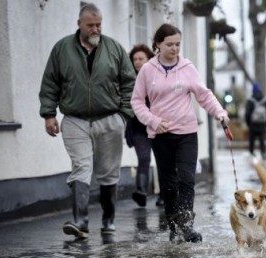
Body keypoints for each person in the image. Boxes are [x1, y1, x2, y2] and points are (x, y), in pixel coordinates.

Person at [39, 3, 136, 239]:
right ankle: (80, 222)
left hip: (109, 119)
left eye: (98, 25)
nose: (95, 29)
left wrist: (123, 115)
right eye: (90, 25)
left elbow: (129, 83)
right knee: (81, 167)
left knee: (108, 171)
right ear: (79, 24)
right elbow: (50, 83)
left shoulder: (113, 48)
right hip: (75, 119)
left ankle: (108, 220)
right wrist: (49, 114)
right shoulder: (62, 49)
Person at [131, 23, 229, 243]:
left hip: (186, 133)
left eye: (178, 44)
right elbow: (136, 101)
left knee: (186, 178)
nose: (175, 49)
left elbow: (204, 95)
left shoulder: (187, 68)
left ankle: (186, 226)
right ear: (158, 44)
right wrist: (153, 121)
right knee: (168, 184)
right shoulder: (148, 70)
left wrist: (220, 113)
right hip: (161, 135)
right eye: (169, 44)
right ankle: (174, 226)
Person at [125, 44, 165, 208]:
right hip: (139, 129)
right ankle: (141, 192)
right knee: (144, 159)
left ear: (148, 59)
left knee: (163, 161)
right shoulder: (129, 80)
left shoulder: (158, 76)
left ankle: (164, 195)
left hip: (159, 127)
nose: (137, 62)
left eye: (141, 58)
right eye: (134, 59)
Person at [245, 83, 266, 158]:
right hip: (262, 124)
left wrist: (248, 124)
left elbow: (247, 114)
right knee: (262, 140)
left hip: (252, 124)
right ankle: (263, 153)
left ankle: (251, 153)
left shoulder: (250, 101)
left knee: (252, 140)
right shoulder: (264, 100)